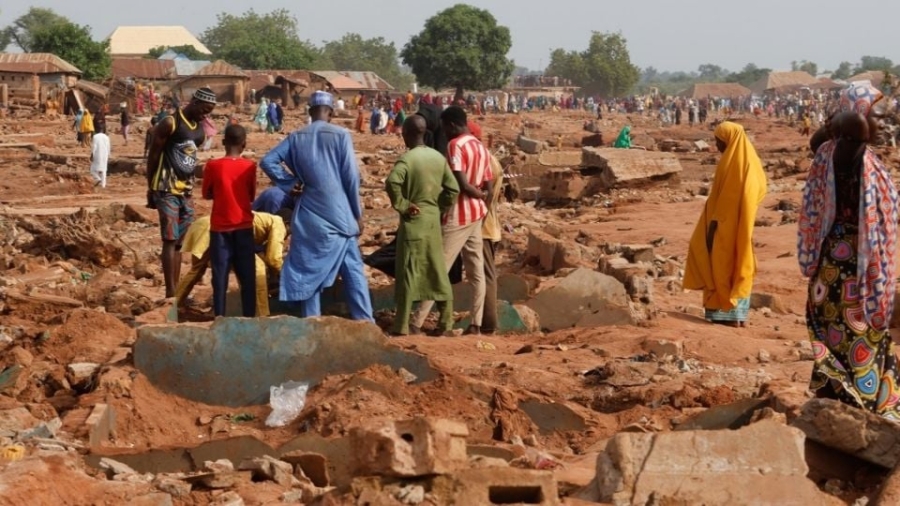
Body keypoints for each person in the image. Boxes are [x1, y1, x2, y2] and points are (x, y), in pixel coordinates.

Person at [799, 83, 900, 418]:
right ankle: (863, 408)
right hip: (849, 265)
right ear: (857, 117)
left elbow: (847, 125)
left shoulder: (837, 150)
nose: (886, 124)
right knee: (857, 332)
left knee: (850, 333)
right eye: (879, 117)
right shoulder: (846, 153)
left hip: (841, 261)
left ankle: (849, 401)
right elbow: (855, 122)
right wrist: (848, 114)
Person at [260, 91, 373, 321]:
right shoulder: (341, 135)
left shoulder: (296, 136)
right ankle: (366, 321)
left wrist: (290, 183)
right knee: (352, 270)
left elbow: (267, 161)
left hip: (309, 215)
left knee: (308, 270)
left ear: (310, 112)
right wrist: (356, 214)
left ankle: (312, 322)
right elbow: (351, 177)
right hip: (340, 214)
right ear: (330, 112)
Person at [410, 106, 493, 335]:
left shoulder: (456, 146)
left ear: (452, 125)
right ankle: (475, 323)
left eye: (445, 127)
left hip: (459, 213)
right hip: (477, 213)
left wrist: (474, 195)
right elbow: (489, 183)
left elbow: (460, 185)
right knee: (476, 271)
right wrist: (485, 201)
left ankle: (417, 322)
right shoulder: (480, 147)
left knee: (439, 267)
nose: (444, 132)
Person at [683, 121, 767, 327]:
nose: (717, 145)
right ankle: (738, 315)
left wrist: (713, 227)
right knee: (740, 264)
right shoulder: (750, 161)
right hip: (741, 226)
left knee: (721, 266)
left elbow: (727, 201)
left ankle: (725, 315)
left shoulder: (733, 163)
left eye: (718, 141)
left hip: (723, 226)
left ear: (728, 139)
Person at [385, 115, 460, 336]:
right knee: (437, 270)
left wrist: (404, 205)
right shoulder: (438, 157)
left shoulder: (407, 160)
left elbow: (392, 182)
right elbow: (453, 189)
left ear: (407, 134)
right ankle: (446, 323)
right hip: (433, 222)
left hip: (414, 222)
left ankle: (401, 326)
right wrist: (439, 207)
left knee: (409, 271)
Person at [146, 87, 217, 298]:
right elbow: (154, 155)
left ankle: (175, 293)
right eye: (204, 109)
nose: (206, 115)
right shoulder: (170, 123)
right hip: (166, 188)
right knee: (169, 239)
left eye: (209, 112)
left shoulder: (199, 132)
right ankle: (170, 294)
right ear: (193, 102)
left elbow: (189, 161)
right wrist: (150, 187)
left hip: (185, 191)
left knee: (179, 243)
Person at [175, 211, 288, 317]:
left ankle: (174, 303)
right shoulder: (279, 223)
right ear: (288, 223)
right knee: (258, 268)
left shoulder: (264, 219)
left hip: (203, 225)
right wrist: (288, 276)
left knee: (197, 270)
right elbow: (274, 259)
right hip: (219, 230)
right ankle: (262, 314)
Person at [201, 124, 257, 317]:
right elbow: (250, 196)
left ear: (223, 142)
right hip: (243, 226)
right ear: (244, 144)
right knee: (248, 278)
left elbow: (206, 193)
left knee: (219, 277)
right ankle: (249, 317)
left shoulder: (212, 166)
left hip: (220, 228)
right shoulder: (250, 166)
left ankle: (220, 317)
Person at [481, 143, 504, 335]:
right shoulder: (493, 160)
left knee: (486, 276)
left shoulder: (486, 162)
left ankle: (488, 324)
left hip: (484, 228)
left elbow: (485, 195)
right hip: (491, 226)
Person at [90, 124, 110, 189]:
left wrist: (92, 154)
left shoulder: (95, 137)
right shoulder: (106, 137)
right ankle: (103, 185)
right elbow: (108, 147)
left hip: (97, 154)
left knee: (92, 170)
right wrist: (108, 154)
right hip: (105, 154)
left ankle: (98, 178)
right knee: (104, 170)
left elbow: (94, 146)